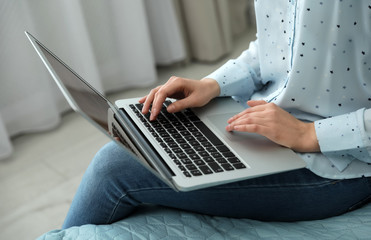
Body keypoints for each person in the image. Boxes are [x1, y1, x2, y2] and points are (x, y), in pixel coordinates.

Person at [62, 0, 371, 228]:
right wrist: (212, 84)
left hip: (340, 161)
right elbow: (275, 47)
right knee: (142, 132)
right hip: (262, 117)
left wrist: (308, 134)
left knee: (113, 168)